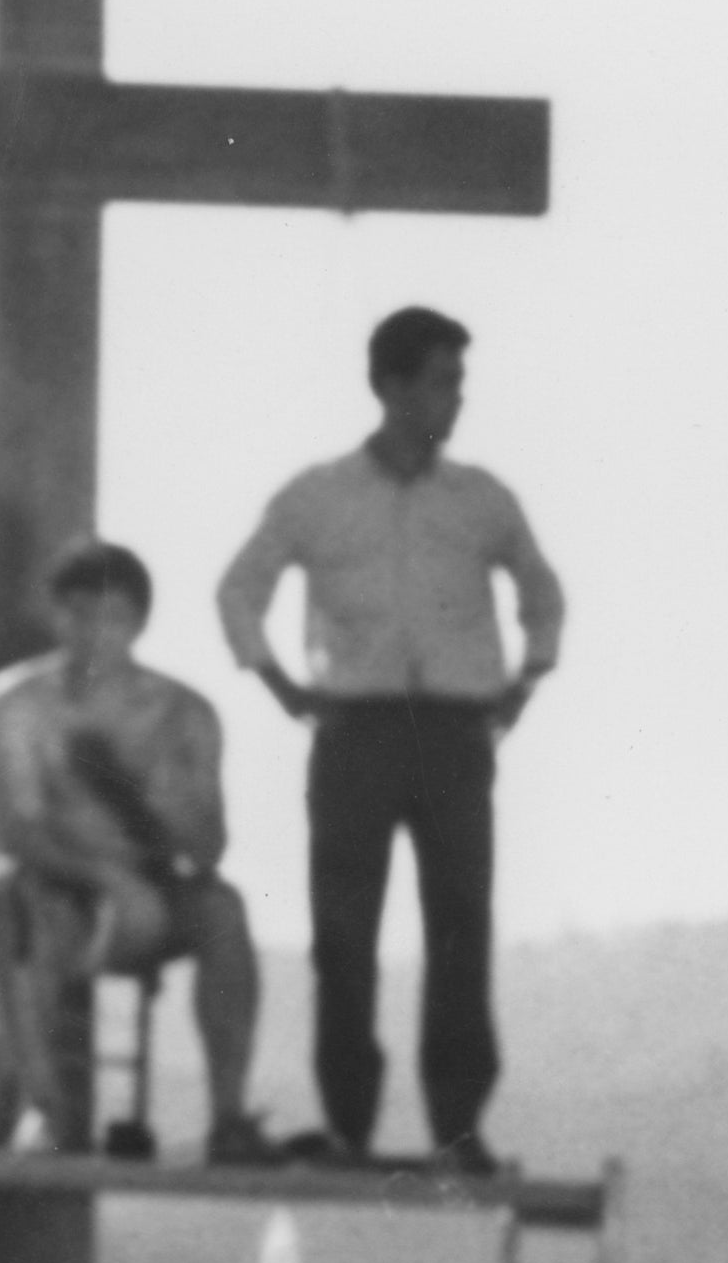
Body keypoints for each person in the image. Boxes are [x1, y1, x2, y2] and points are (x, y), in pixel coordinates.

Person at [214, 305, 564, 1173]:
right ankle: (349, 1125)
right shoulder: (319, 495)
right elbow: (239, 589)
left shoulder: (482, 499)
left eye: (459, 383)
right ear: (391, 385)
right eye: (441, 381)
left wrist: (524, 682)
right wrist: (281, 685)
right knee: (344, 934)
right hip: (355, 729)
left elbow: (542, 595)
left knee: (458, 926)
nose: (454, 401)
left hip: (453, 730)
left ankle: (457, 1125)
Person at [0, 541, 277, 1164]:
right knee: (8, 905)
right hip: (59, 887)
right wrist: (107, 879)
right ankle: (46, 1111)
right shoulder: (19, 703)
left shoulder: (184, 712)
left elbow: (210, 847)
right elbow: (20, 829)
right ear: (56, 617)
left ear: (137, 623)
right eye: (76, 614)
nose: (91, 633)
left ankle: (228, 1117)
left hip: (157, 892)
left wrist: (162, 807)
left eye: (110, 616)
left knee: (225, 912)